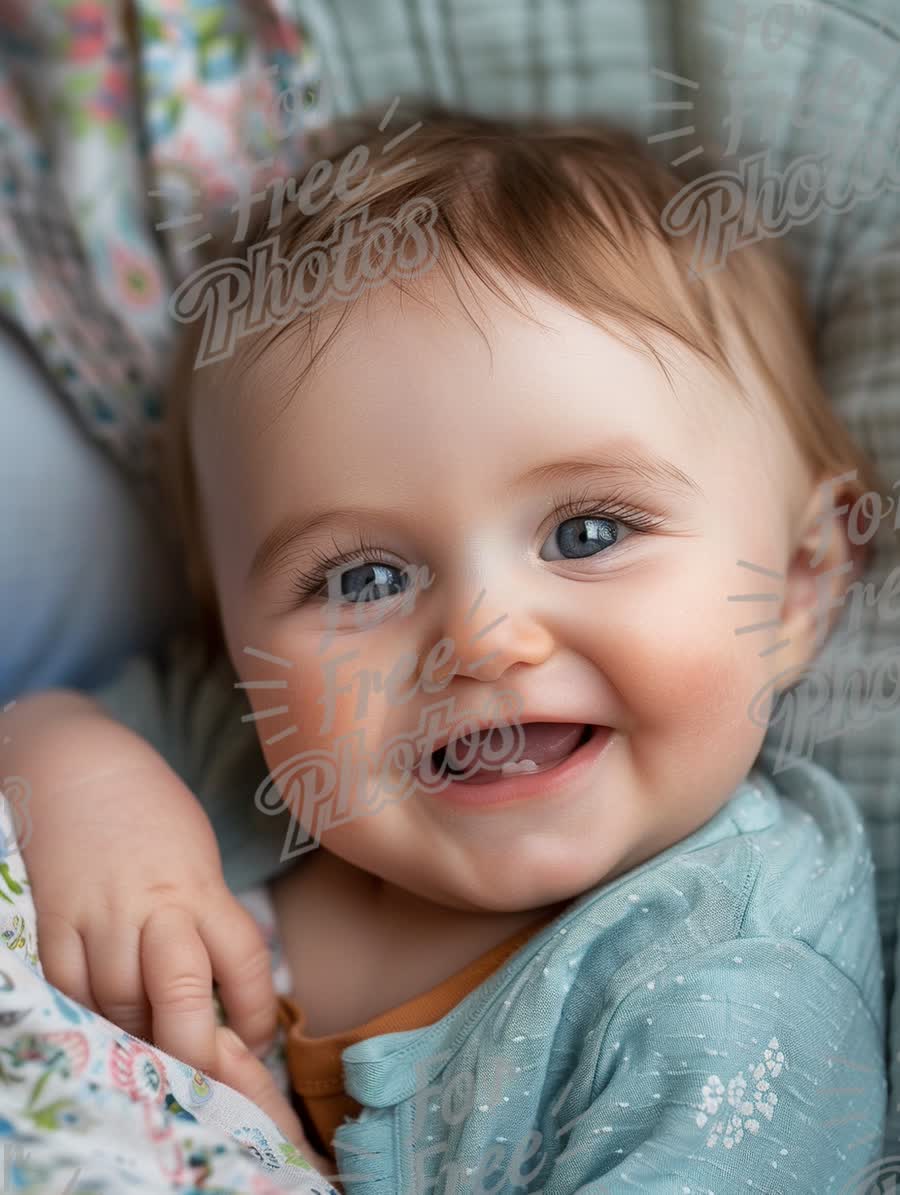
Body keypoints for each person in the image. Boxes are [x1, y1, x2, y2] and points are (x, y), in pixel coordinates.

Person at [1, 112, 887, 1192]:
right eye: (362, 578)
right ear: (232, 639)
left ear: (796, 585)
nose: (481, 637)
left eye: (588, 534)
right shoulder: (237, 754)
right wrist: (89, 787)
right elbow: (39, 726)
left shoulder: (739, 999)